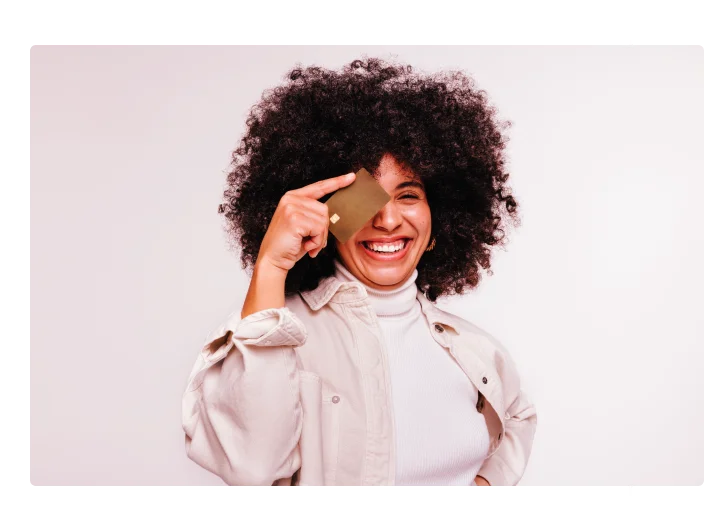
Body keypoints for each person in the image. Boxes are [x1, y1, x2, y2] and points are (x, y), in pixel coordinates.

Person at [182, 58, 537, 487]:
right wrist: (271, 266)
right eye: (362, 198)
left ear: (439, 215)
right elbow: (251, 467)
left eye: (408, 194)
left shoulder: (472, 349)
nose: (387, 221)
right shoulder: (277, 335)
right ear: (325, 213)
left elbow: (517, 417)